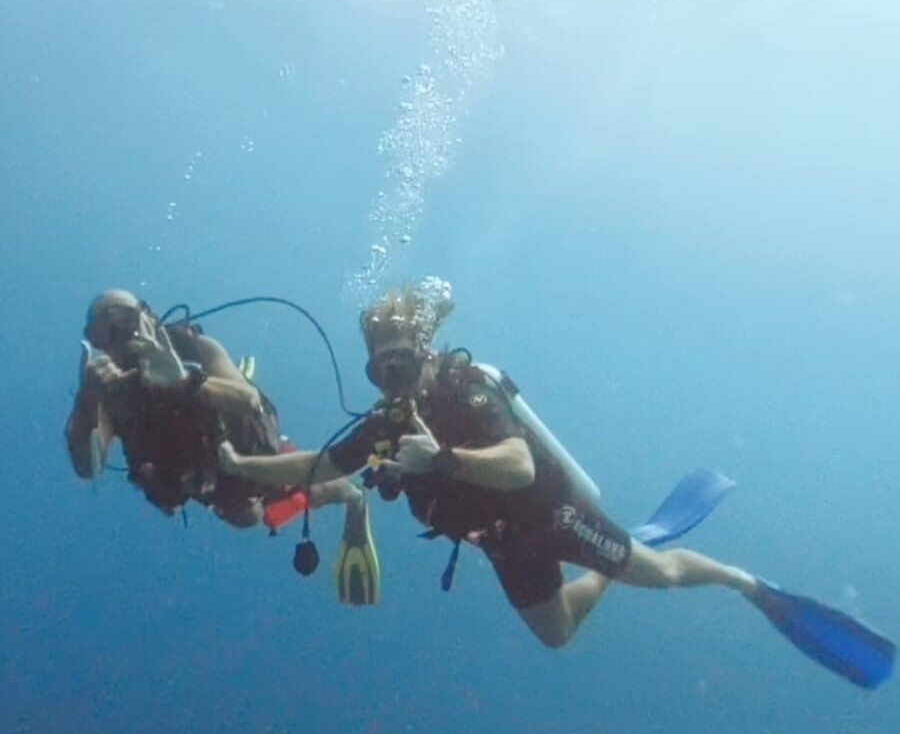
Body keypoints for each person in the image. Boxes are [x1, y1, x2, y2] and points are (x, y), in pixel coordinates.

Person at [219, 282, 894, 687]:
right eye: (380, 370)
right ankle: (609, 567)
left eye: (401, 361)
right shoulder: (383, 428)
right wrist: (242, 467)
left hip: (552, 516)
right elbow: (315, 469)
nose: (393, 378)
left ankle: (743, 581)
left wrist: (444, 460)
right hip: (502, 546)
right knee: (558, 633)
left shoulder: (467, 390)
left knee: (658, 573)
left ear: (424, 354)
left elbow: (518, 464)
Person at [66, 289, 356, 528]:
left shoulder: (196, 347)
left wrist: (182, 381)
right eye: (103, 333)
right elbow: (88, 467)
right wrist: (87, 400)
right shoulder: (108, 393)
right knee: (245, 516)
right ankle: (292, 495)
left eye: (124, 321)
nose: (119, 338)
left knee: (266, 488)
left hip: (244, 444)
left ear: (149, 318)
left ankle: (347, 494)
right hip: (202, 477)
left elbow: (247, 400)